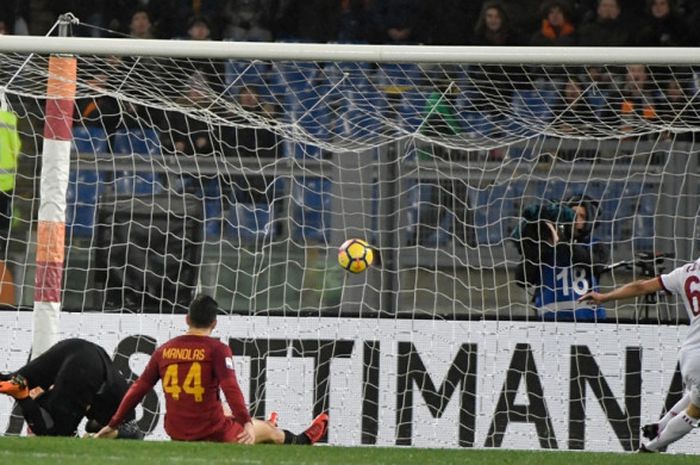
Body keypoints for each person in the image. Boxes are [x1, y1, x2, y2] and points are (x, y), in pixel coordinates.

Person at [95, 294, 329, 444]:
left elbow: (137, 389)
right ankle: (303, 440)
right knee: (269, 432)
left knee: (224, 408)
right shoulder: (217, 349)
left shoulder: (164, 350)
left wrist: (114, 423)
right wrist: (246, 422)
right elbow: (231, 387)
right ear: (214, 323)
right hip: (213, 432)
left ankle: (259, 424)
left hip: (177, 432)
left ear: (187, 319)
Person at [579, 257, 700, 452]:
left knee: (696, 396)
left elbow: (641, 287)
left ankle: (660, 426)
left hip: (690, 352)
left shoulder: (684, 272)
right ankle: (649, 449)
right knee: (695, 410)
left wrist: (604, 297)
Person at [0, 338, 142, 438]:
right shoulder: (122, 418)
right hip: (86, 368)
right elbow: (134, 433)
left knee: (10, 380)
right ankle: (22, 395)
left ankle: (21, 392)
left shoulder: (110, 400)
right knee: (55, 432)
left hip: (76, 347)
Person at [513, 199, 607, 321]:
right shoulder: (546, 246)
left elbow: (595, 264)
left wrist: (560, 240)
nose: (575, 219)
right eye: (573, 214)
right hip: (550, 322)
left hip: (589, 321)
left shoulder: (594, 244)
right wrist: (533, 251)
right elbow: (522, 280)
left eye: (581, 216)